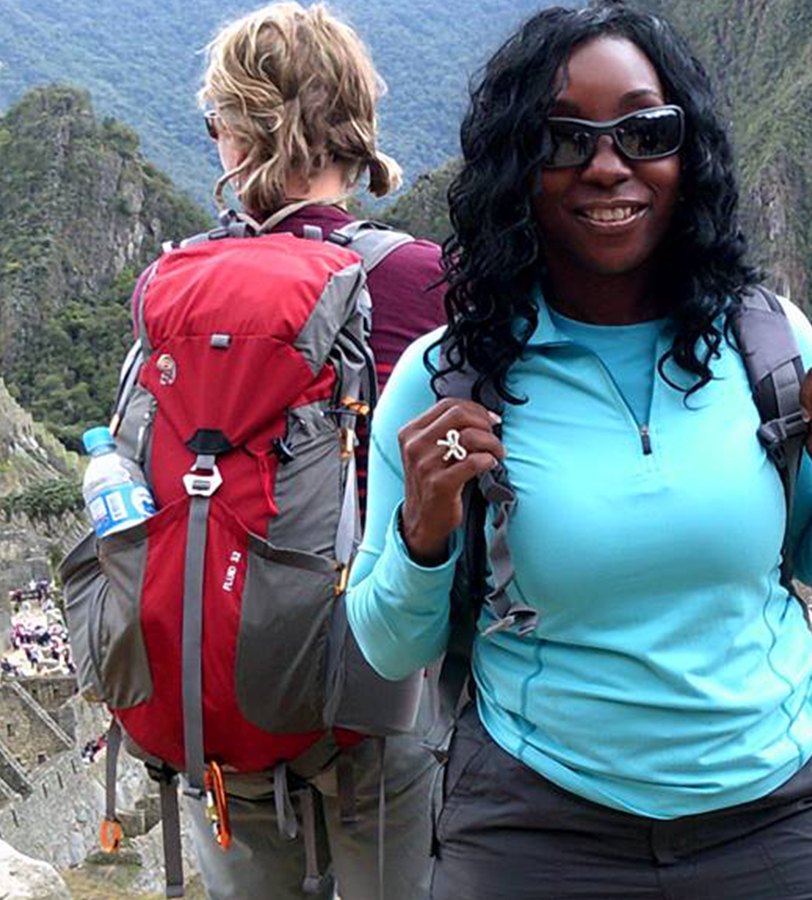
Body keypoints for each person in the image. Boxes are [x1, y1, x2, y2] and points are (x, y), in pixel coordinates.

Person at [345, 4, 812, 898]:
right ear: (515, 167)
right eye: (564, 140)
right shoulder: (447, 378)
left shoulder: (767, 341)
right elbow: (388, 645)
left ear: (688, 155)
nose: (607, 165)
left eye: (644, 131)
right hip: (541, 816)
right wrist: (424, 529)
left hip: (779, 802)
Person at [164, 4, 447, 898]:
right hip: (384, 692)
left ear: (240, 133)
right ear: (354, 129)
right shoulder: (416, 278)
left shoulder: (179, 287)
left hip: (229, 691)